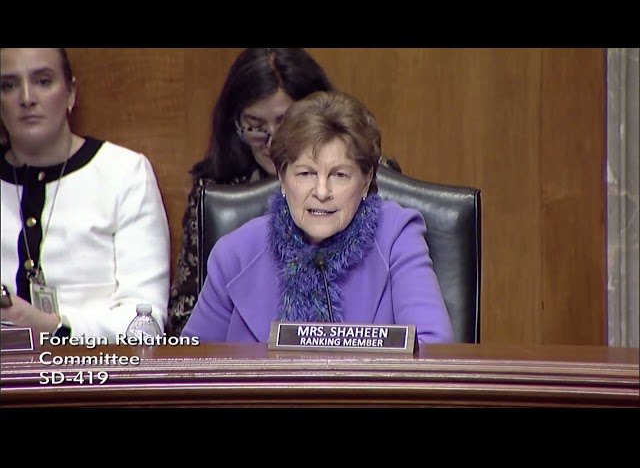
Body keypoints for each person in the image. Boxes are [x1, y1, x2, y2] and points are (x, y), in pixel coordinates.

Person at [182, 90, 454, 344]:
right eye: (306, 174)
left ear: (366, 179)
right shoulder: (235, 254)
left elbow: (431, 349)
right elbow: (191, 366)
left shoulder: (396, 236)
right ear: (282, 178)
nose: (322, 192)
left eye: (339, 175)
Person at [168, 48, 401, 336]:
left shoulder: (391, 223)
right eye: (255, 127)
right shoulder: (222, 211)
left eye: (285, 121)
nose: (272, 140)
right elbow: (190, 338)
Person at [0, 48, 170, 342]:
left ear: (70, 94)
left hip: (98, 374)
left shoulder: (125, 173)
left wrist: (56, 327)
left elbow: (146, 325)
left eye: (43, 81)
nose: (26, 98)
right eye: (8, 85)